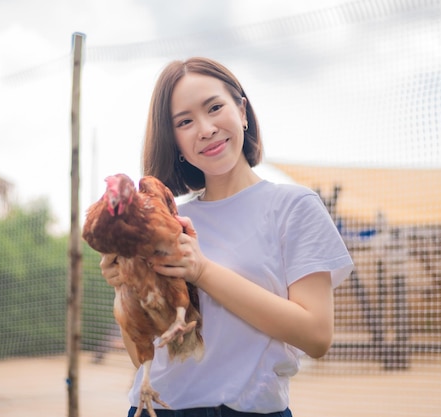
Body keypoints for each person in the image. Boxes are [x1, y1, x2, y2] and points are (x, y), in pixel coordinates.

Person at [100, 57, 354, 417]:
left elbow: (316, 336)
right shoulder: (167, 220)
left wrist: (202, 271)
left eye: (215, 107)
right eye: (185, 122)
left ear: (242, 111)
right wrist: (125, 287)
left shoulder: (293, 207)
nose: (205, 129)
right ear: (174, 141)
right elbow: (144, 353)